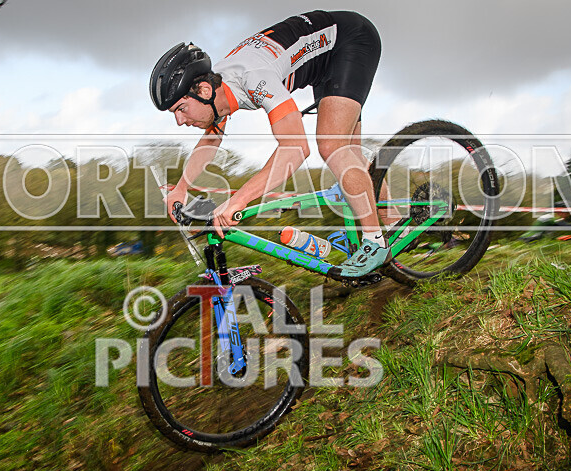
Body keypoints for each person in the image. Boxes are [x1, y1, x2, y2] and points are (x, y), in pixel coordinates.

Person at [150, 10, 395, 278]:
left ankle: (375, 242)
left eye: (181, 109)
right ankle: (397, 225)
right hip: (324, 62)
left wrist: (238, 200)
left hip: (349, 40)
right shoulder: (216, 86)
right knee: (350, 154)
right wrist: (182, 189)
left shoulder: (253, 78)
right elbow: (212, 137)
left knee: (332, 145)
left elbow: (295, 149)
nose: (179, 121)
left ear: (204, 91)